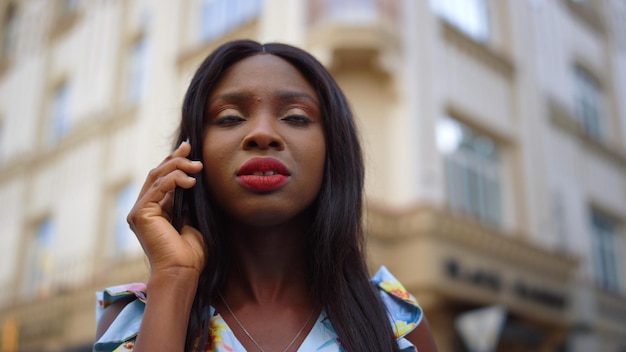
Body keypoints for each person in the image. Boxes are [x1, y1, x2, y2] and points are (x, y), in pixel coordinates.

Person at [94, 39, 438, 352]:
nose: (262, 133)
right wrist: (173, 276)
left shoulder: (397, 321)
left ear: (333, 151)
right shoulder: (132, 320)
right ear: (190, 154)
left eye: (296, 117)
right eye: (229, 118)